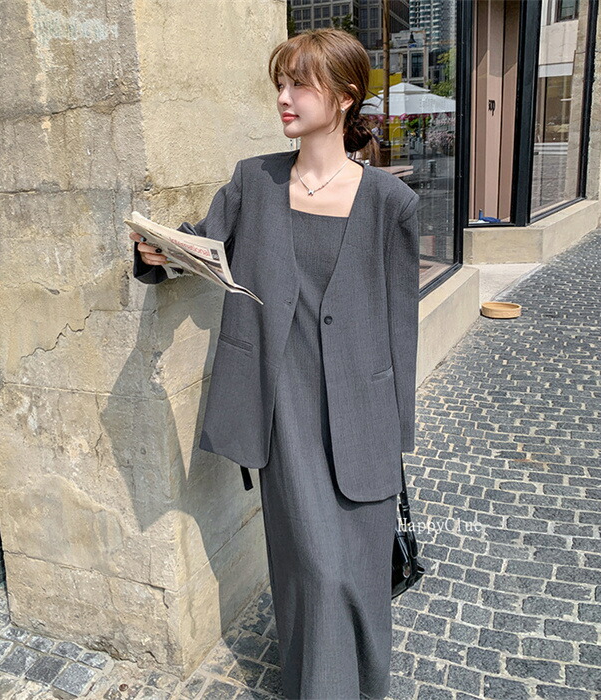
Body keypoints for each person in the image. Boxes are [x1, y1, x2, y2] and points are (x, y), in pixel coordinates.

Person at [129, 28, 420, 700]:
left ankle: (362, 686)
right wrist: (159, 254)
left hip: (361, 408)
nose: (284, 97)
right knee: (312, 567)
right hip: (282, 404)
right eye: (280, 83)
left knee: (360, 571)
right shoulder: (252, 181)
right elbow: (201, 247)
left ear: (344, 97)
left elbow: (400, 326)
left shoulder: (390, 203)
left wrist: (396, 433)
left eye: (300, 84)